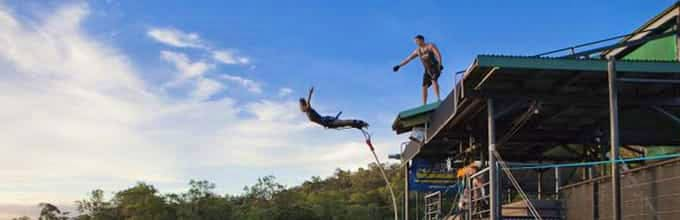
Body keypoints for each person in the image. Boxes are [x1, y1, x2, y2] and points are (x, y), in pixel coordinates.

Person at [393, 34, 444, 105]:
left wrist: (440, 64)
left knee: (433, 80)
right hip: (427, 70)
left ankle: (438, 99)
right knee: (424, 86)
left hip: (435, 66)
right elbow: (408, 59)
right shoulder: (418, 51)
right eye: (415, 42)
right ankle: (424, 104)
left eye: (417, 41)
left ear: (422, 40)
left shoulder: (430, 46)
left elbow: (438, 55)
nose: (416, 43)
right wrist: (399, 66)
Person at [299, 87, 369, 129]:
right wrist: (310, 94)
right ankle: (358, 125)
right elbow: (307, 106)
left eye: (301, 105)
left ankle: (360, 123)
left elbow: (308, 105)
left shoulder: (308, 111)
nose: (300, 108)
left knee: (343, 123)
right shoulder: (308, 112)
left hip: (327, 121)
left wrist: (310, 94)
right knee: (342, 124)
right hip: (327, 121)